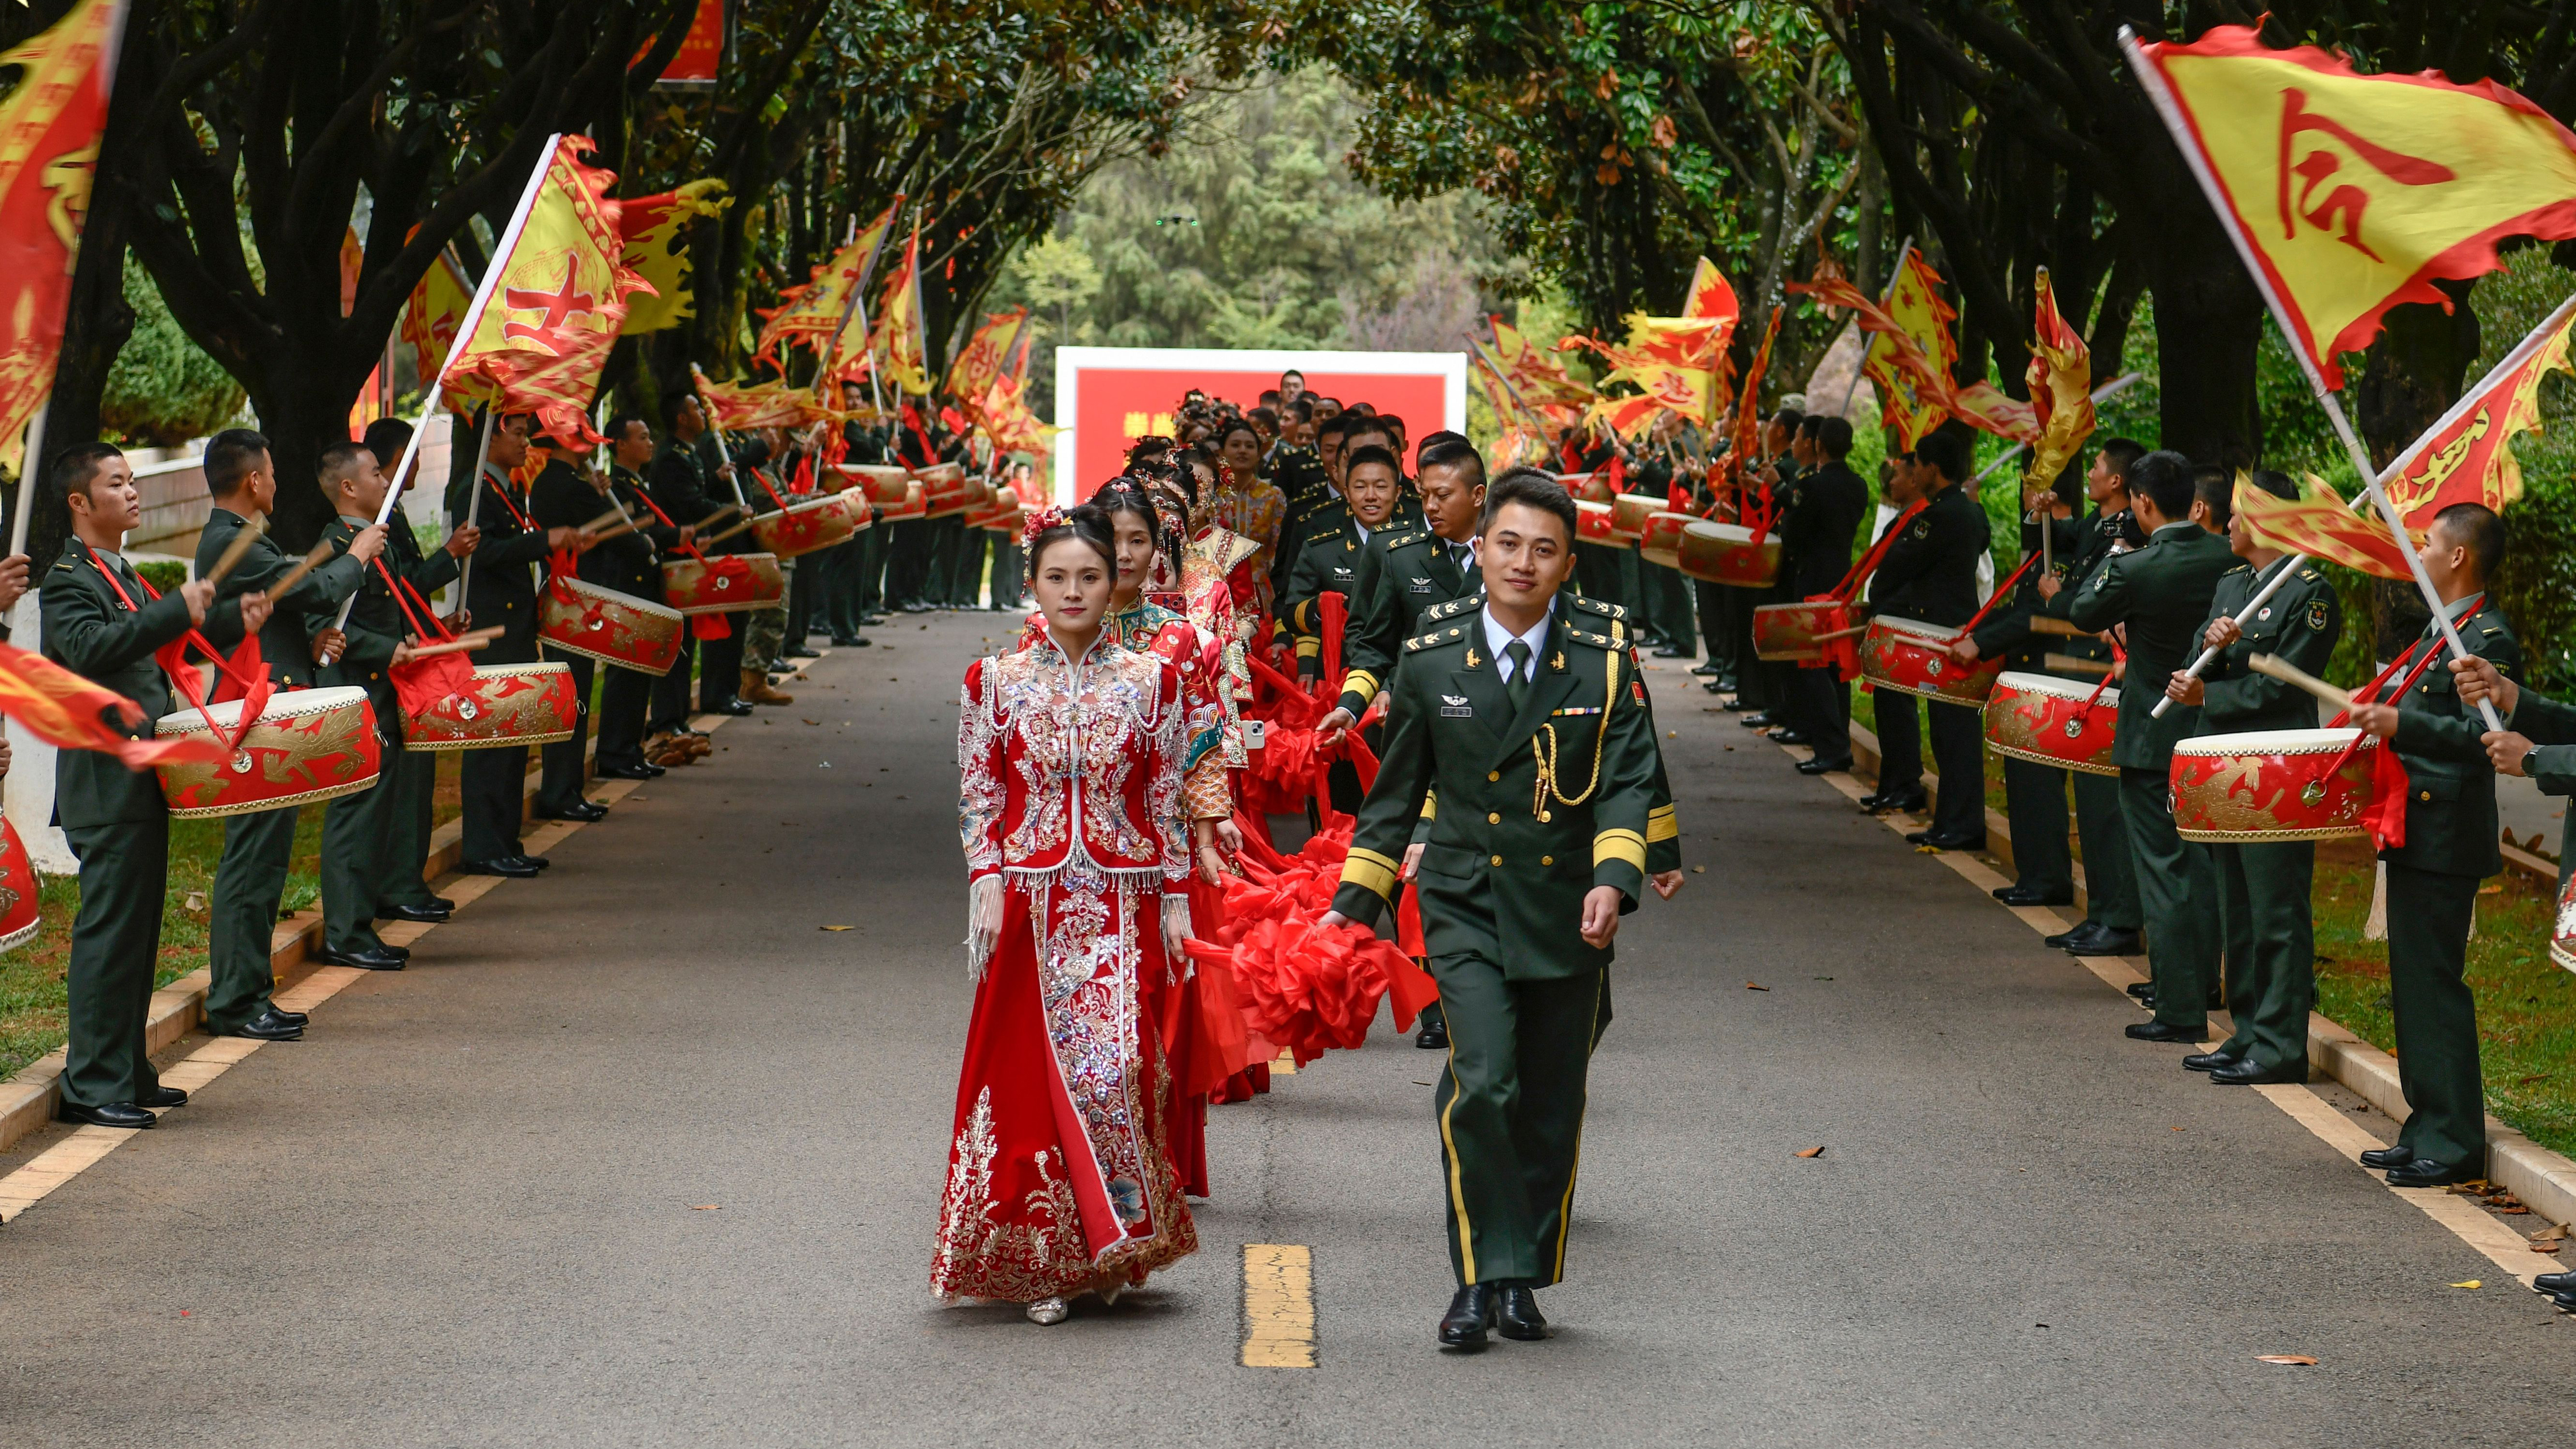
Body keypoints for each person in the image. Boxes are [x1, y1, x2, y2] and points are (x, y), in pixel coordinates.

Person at [1321, 468, 1667, 1349]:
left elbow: (1629, 776)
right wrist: (1353, 904)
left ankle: (1522, 1279)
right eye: (1507, 543)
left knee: (1549, 1101)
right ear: (1480, 550)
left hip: (1567, 909)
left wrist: (1613, 877)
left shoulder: (1601, 652)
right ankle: (1476, 1276)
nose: (1522, 561)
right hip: (1467, 900)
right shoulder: (1433, 652)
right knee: (1482, 1082)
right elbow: (1396, 794)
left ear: (1566, 563)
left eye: (1543, 549)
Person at [939, 504, 1199, 1323]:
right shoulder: (996, 681)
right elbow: (981, 791)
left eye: (1090, 575)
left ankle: (1115, 1238)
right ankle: (1045, 1256)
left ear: (1113, 580)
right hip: (1030, 898)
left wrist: (1179, 896)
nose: (1075, 590)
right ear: (1034, 584)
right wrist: (986, 876)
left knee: (1116, 1069)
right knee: (1025, 1083)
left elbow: (1165, 797)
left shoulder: (1152, 681)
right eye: (1059, 576)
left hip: (1123, 898)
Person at [43, 443, 245, 1127]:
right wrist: (173, 611)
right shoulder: (70, 578)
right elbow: (89, 651)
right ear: (80, 502)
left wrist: (215, 618)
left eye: (134, 481)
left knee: (135, 935)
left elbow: (151, 649)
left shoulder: (120, 572)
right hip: (105, 780)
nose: (134, 493)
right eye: (118, 483)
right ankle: (92, 1084)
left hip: (140, 777)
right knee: (108, 935)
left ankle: (124, 1070)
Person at [2342, 503, 2517, 1187]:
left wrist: (2397, 724)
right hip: (2412, 820)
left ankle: (2452, 1141)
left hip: (2444, 827)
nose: (2417, 552)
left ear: (2457, 558)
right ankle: (2425, 1123)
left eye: (2427, 542)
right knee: (2410, 985)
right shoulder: (2437, 633)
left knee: (2435, 985)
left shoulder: (2487, 638)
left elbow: (2481, 740)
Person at [195, 428, 378, 1040]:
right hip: (251, 721)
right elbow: (316, 586)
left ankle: (249, 992)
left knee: (263, 861)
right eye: (270, 473)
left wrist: (312, 640)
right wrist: (359, 554)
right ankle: (235, 999)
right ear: (253, 480)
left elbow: (274, 618)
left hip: (267, 711)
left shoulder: (242, 539)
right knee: (251, 862)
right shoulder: (233, 541)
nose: (276, 483)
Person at [2161, 468, 2339, 1085]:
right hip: (2224, 764)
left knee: (2275, 909)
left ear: (2266, 518)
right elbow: (2196, 661)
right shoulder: (2233, 582)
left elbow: (2279, 684)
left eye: (2236, 513)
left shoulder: (2309, 593)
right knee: (2235, 905)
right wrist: (2208, 648)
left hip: (2277, 770)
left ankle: (2281, 1042)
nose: (2226, 523)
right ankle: (2246, 1030)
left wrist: (2210, 689)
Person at [2065, 451, 2237, 1045]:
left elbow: (2082, 609)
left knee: (2163, 872)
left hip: (2150, 736)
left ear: (2139, 502)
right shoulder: (2227, 556)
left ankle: (2179, 1004)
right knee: (2207, 866)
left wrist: (2115, 553)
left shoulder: (2137, 565)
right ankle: (2209, 983)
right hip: (2213, 733)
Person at [308, 439, 477, 970]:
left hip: (389, 693)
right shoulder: (338, 545)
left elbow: (394, 608)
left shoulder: (373, 544)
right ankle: (346, 932)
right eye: (377, 473)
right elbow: (324, 627)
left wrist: (432, 633)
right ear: (349, 487)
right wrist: (389, 648)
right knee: (355, 815)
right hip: (361, 693)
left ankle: (363, 920)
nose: (388, 480)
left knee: (377, 811)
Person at [449, 412, 592, 876]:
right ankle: (483, 846)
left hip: (516, 629)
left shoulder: (506, 489)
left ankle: (506, 840)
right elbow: (484, 553)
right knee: (492, 739)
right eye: (517, 433)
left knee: (515, 738)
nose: (526, 443)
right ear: (490, 437)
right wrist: (543, 542)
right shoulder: (472, 492)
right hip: (491, 630)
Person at [2032, 438, 2148, 957]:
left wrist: (2056, 598)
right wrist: (2039, 510)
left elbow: (2090, 602)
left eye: (2098, 466)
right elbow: (2053, 539)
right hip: (2087, 674)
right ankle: (2101, 911)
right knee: (2091, 801)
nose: (2092, 472)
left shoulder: (2128, 537)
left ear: (2120, 482)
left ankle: (2119, 917)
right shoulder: (2099, 528)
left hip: (2108, 671)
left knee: (2106, 809)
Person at [360, 417, 478, 927]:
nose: (418, 467)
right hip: (388, 669)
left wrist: (440, 623)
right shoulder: (374, 524)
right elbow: (398, 587)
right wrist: (448, 555)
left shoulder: (398, 514)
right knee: (404, 783)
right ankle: (397, 883)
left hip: (414, 655)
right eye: (410, 456)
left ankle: (408, 877)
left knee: (417, 777)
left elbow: (407, 596)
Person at [1954, 462, 2088, 904]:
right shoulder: (2042, 552)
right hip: (2027, 679)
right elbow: (2017, 609)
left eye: (2032, 494)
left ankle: (2048, 878)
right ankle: (2034, 874)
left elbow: (2037, 618)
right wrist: (1973, 633)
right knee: (2024, 783)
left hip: (2048, 680)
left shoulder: (2065, 557)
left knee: (2038, 787)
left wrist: (1983, 643)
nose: (2027, 505)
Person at [1860, 424, 1988, 846]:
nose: (1913, 473)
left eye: (1917, 465)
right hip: (1955, 627)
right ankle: (1950, 821)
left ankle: (1963, 824)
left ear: (1933, 468)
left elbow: (1898, 564)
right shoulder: (1970, 510)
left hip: (1943, 633)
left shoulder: (1940, 515)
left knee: (1954, 735)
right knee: (1948, 733)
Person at [526, 436, 639, 808]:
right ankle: (560, 791)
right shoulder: (562, 485)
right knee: (571, 697)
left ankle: (568, 788)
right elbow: (627, 516)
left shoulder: (557, 482)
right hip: (570, 602)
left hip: (575, 601)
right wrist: (604, 495)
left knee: (577, 695)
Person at [645, 394, 751, 732]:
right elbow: (689, 504)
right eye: (695, 408)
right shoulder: (671, 458)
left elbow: (695, 491)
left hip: (691, 553)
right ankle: (667, 718)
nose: (703, 413)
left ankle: (677, 717)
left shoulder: (686, 453)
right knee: (676, 643)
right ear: (681, 417)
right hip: (677, 557)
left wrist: (716, 479)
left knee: (687, 642)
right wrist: (734, 510)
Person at [594, 414, 691, 774]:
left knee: (639, 675)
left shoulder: (634, 483)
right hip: (627, 585)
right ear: (620, 444)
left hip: (644, 585)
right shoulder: (614, 487)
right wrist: (668, 536)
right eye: (642, 437)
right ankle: (614, 753)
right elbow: (626, 536)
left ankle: (629, 751)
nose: (651, 443)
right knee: (625, 675)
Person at [1779, 417, 1868, 774]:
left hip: (1813, 579)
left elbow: (1794, 533)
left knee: (1815, 664)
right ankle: (1837, 740)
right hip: (1841, 579)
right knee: (1838, 664)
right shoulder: (1858, 485)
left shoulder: (1814, 486)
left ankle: (1830, 746)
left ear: (1818, 446)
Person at [1282, 443, 1403, 682]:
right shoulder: (1322, 549)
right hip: (1337, 678)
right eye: (1360, 487)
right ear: (1347, 493)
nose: (1371, 496)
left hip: (1401, 675)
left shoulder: (1416, 547)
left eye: (1381, 487)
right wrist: (1318, 608)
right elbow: (1290, 616)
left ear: (1398, 493)